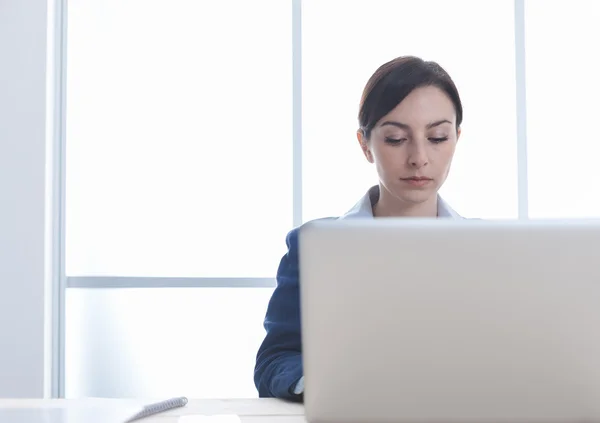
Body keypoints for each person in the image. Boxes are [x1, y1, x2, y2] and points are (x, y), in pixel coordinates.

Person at [254, 55, 465, 401]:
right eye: (396, 139)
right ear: (365, 144)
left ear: (456, 137)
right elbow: (274, 361)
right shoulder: (315, 247)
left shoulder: (489, 251)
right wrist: (325, 386)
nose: (419, 158)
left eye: (438, 137)